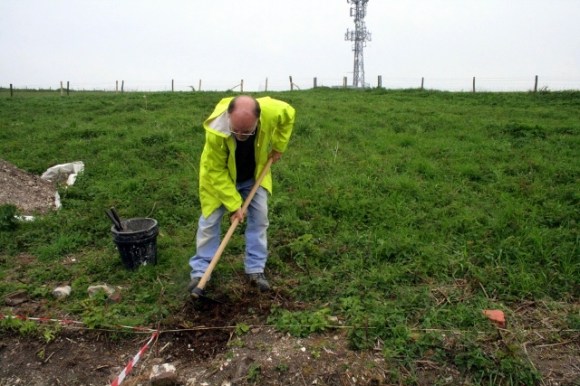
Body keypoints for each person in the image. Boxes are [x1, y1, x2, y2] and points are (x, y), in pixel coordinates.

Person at [188, 95, 295, 296]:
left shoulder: (273, 110)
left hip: (254, 175)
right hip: (220, 179)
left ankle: (255, 269)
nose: (240, 135)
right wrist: (235, 204)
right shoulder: (216, 131)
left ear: (258, 119)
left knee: (260, 219)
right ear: (229, 116)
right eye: (235, 130)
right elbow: (216, 172)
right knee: (209, 220)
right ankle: (201, 272)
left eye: (247, 131)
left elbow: (289, 116)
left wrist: (279, 147)